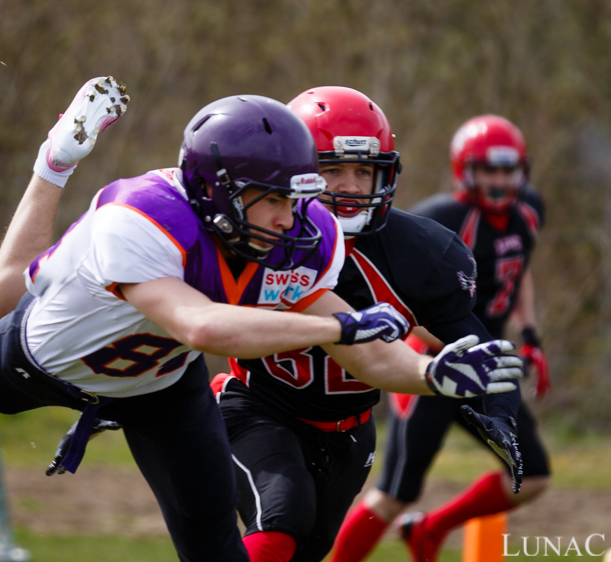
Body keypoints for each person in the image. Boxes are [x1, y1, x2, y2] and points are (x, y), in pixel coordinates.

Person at [0, 78, 522, 562]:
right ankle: (55, 162)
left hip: (158, 383)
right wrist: (336, 328)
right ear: (216, 192)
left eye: (298, 197)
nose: (294, 218)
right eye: (275, 200)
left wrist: (430, 375)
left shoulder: (302, 233)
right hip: (41, 366)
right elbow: (203, 328)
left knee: (216, 544)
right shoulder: (140, 217)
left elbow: (368, 348)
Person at [210, 87, 527, 562]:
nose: (353, 186)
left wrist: (501, 413)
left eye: (364, 170)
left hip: (350, 430)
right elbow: (181, 311)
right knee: (281, 521)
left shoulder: (416, 253)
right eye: (332, 169)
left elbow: (478, 346)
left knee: (306, 550)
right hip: (257, 407)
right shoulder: (258, 233)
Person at [333, 115, 552, 562]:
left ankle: (431, 530)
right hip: (432, 366)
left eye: (507, 170)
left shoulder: (529, 211)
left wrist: (529, 335)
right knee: (394, 495)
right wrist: (447, 353)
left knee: (532, 475)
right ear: (465, 170)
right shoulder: (441, 219)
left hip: (487, 364)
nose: (499, 180)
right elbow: (401, 294)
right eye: (488, 169)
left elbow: (518, 269)